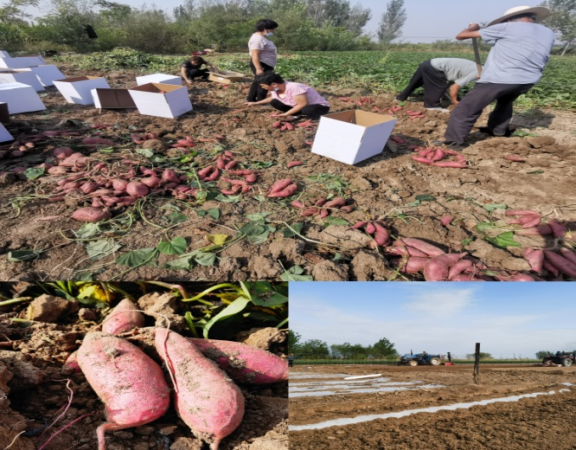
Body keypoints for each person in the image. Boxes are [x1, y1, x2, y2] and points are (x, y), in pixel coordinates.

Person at [441, 6, 555, 150]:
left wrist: (474, 27)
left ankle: (453, 142)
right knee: (505, 102)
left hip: (499, 78)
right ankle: (497, 130)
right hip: (527, 80)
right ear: (532, 17)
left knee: (466, 109)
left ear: (509, 19)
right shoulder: (548, 32)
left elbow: (461, 35)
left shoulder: (507, 27)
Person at [396, 58, 480, 111]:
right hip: (436, 67)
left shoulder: (478, 67)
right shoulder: (477, 72)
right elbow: (454, 87)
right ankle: (432, 106)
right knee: (438, 86)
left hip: (428, 63)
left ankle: (400, 98)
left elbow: (452, 81)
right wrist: (455, 101)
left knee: (416, 82)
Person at [245, 72, 330, 121]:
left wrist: (286, 114)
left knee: (306, 109)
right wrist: (255, 103)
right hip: (300, 107)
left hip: (318, 107)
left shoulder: (294, 87)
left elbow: (303, 104)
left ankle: (316, 118)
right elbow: (273, 97)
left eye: (263, 86)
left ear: (274, 84)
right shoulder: (275, 89)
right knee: (274, 102)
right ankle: (298, 115)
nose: (263, 88)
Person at [247, 19, 279, 102]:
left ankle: (251, 99)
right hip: (261, 64)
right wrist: (259, 68)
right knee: (265, 82)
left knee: (258, 81)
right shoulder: (257, 39)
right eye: (272, 29)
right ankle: (261, 100)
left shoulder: (261, 38)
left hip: (265, 64)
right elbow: (255, 54)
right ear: (266, 29)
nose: (273, 31)